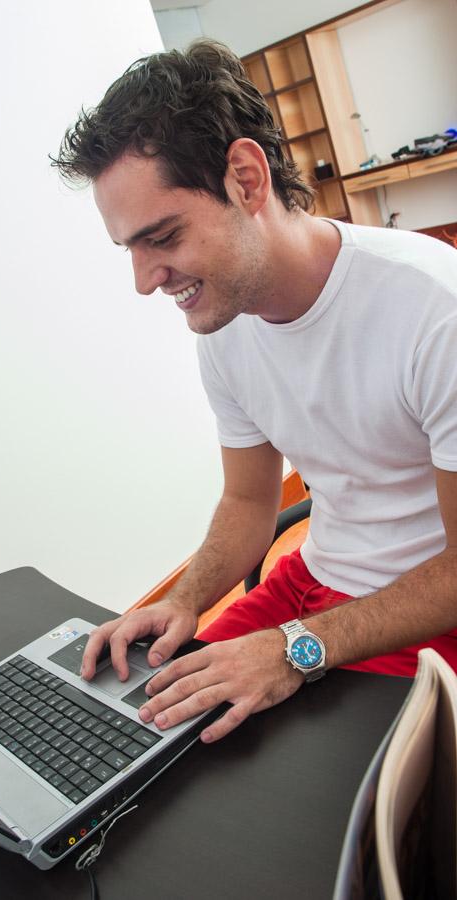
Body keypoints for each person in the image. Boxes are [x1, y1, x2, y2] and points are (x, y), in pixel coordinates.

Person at [53, 40, 457, 745]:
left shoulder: (432, 307)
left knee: (288, 803)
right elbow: (247, 503)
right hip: (311, 583)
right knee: (136, 722)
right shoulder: (224, 325)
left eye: (163, 237)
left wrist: (296, 649)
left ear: (245, 178)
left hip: (429, 612)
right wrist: (183, 602)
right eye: (132, 250)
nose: (147, 280)